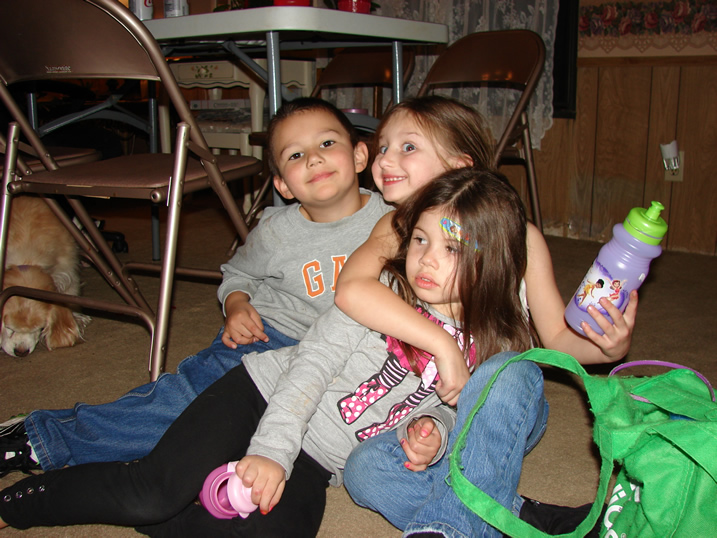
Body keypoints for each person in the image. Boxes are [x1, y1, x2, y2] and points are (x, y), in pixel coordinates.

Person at [0, 168, 536, 537]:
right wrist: (272, 452)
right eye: (419, 240)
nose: (425, 260)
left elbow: (456, 413)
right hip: (260, 397)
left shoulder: (489, 348)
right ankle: (25, 501)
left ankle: (194, 494)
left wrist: (434, 432)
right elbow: (309, 368)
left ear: (494, 262)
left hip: (319, 458)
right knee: (152, 494)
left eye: (450, 248)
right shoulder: (380, 298)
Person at [0, 97, 393, 476]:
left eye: (327, 143)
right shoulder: (276, 231)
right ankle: (41, 436)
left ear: (361, 156)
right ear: (282, 185)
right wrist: (236, 304)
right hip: (269, 338)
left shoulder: (395, 220)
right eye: (295, 155)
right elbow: (237, 273)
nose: (314, 158)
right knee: (185, 407)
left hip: (352, 356)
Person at [334, 96, 638, 536]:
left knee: (505, 369)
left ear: (459, 166)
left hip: (502, 407)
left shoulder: (519, 236)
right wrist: (443, 346)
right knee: (364, 469)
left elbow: (556, 336)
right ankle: (523, 518)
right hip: (425, 417)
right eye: (382, 147)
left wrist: (607, 347)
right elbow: (351, 289)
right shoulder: (396, 226)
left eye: (408, 147)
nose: (384, 159)